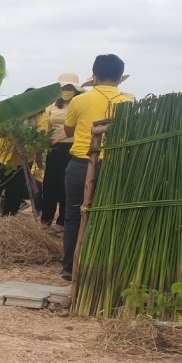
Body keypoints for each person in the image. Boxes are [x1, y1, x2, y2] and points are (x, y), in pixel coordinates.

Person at [60, 55, 133, 281]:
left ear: (93, 75)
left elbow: (69, 131)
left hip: (81, 165)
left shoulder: (80, 101)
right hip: (114, 167)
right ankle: (100, 265)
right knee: (106, 216)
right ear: (121, 77)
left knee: (73, 215)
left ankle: (70, 268)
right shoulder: (129, 102)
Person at [38, 74, 83, 232]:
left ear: (75, 89)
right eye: (63, 87)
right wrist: (44, 142)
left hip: (71, 148)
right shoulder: (53, 105)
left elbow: (79, 126)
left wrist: (61, 136)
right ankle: (45, 219)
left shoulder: (79, 103)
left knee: (65, 186)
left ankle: (61, 222)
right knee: (49, 183)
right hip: (54, 148)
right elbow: (49, 126)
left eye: (69, 87)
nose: (66, 90)